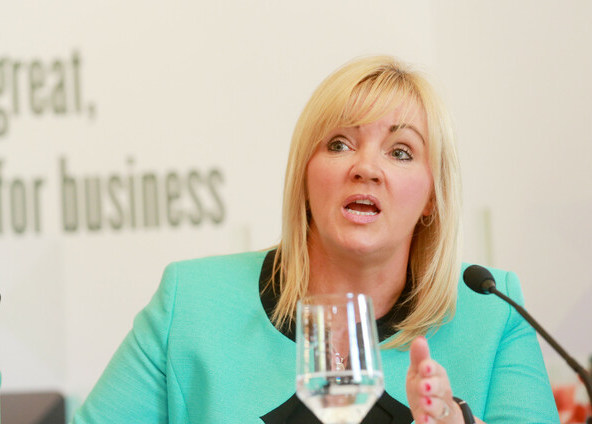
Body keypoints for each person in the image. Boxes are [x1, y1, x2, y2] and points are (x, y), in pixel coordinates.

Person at [72, 56, 559, 423]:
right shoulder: (192, 303)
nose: (365, 168)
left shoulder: (493, 310)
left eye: (401, 151)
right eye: (339, 144)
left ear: (433, 197)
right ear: (305, 177)